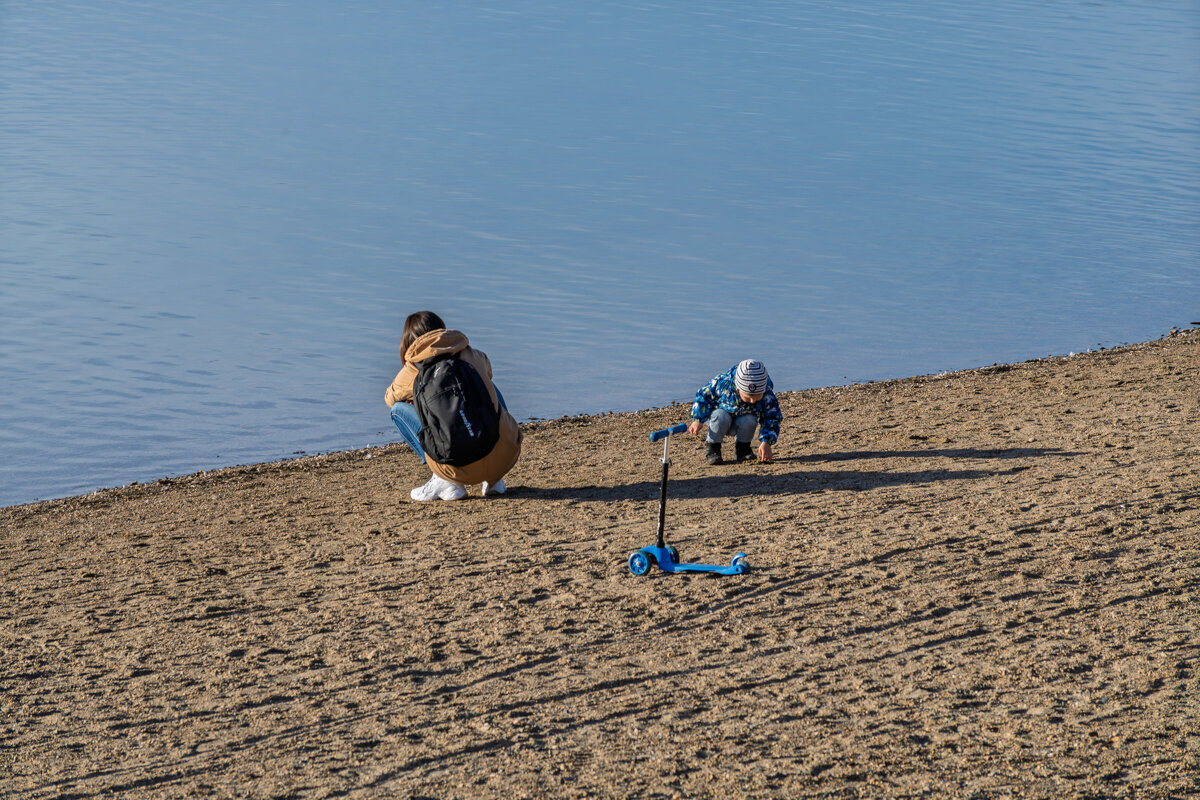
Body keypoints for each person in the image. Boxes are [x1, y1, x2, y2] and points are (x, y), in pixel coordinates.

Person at [385, 311, 522, 501]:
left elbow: (389, 398)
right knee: (487, 384)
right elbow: (488, 371)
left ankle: (444, 480)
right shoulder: (470, 353)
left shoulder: (414, 368)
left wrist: (419, 398)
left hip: (456, 469)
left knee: (398, 410)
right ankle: (494, 480)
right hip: (503, 458)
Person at [687, 359, 782, 465]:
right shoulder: (724, 384)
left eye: (757, 396)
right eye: (748, 396)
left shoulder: (767, 395)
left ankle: (743, 449)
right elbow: (703, 396)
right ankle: (713, 449)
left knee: (749, 420)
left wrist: (766, 442)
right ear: (738, 389)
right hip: (720, 419)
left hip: (743, 421)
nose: (753, 400)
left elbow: (772, 418)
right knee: (720, 416)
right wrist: (698, 419)